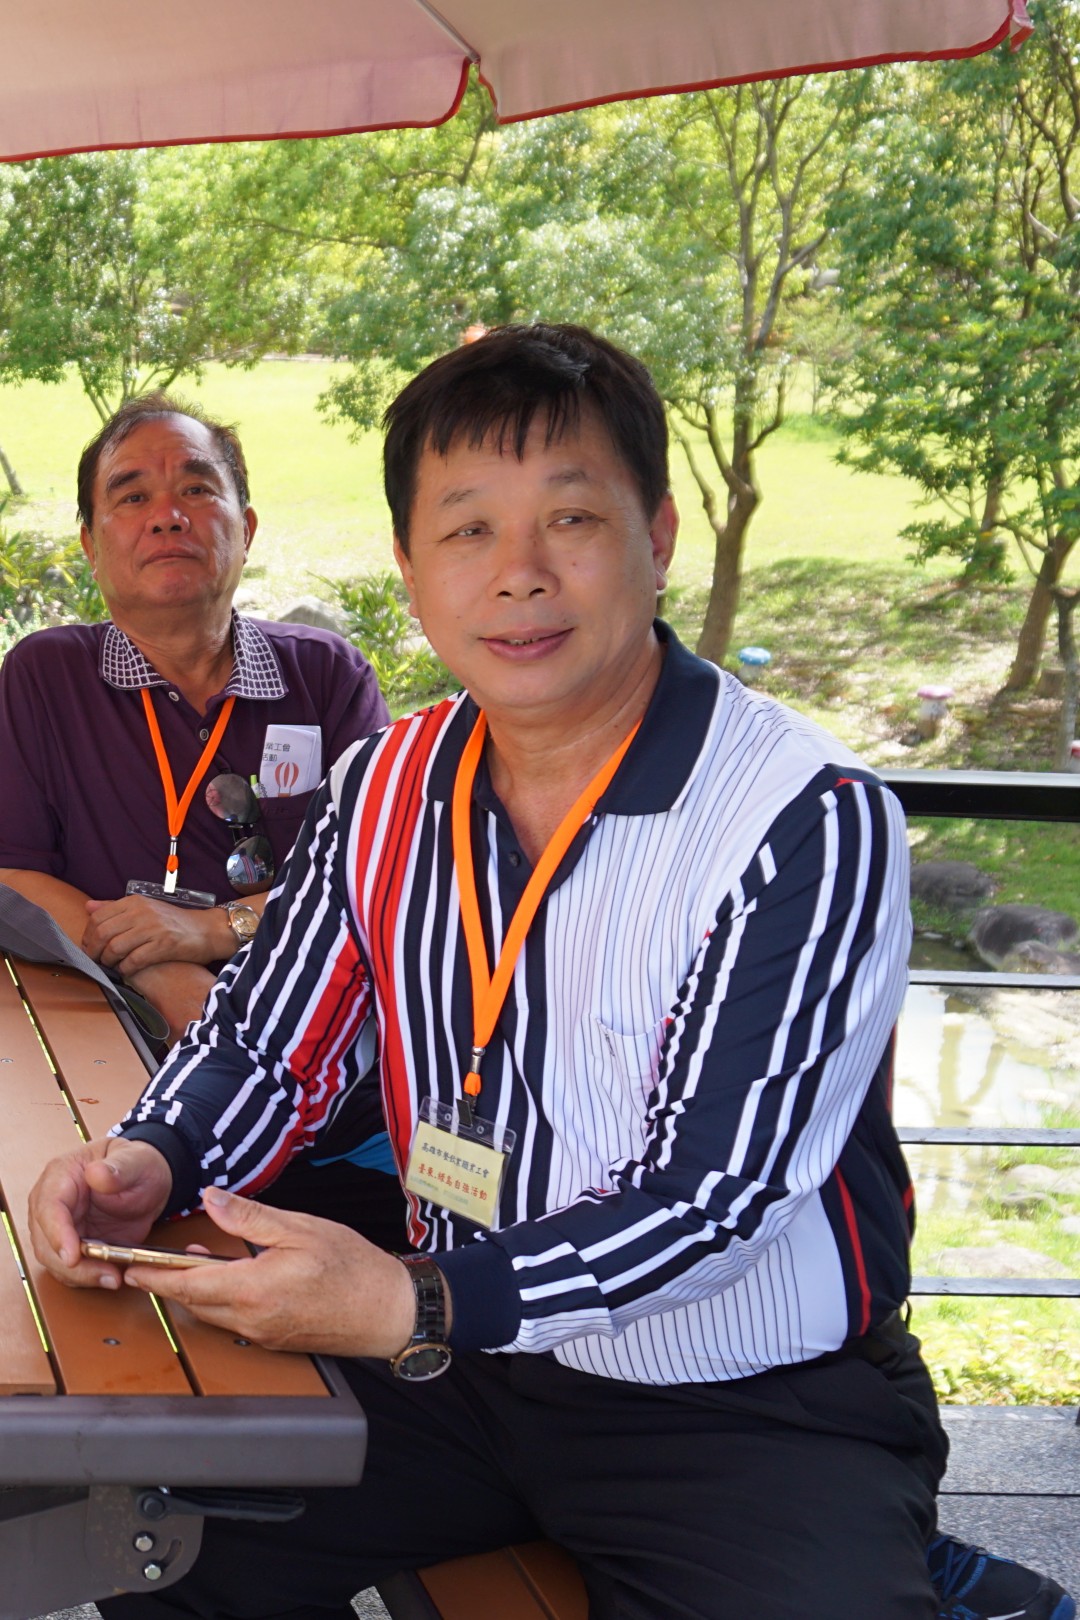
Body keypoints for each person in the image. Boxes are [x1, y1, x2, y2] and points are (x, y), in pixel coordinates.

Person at [28, 327, 1074, 1620]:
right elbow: (266, 1041)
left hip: (741, 1403)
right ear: (410, 568)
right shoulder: (383, 785)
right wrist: (156, 1155)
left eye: (570, 518)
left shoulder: (802, 818)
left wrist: (414, 1298)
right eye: (468, 530)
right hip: (463, 1365)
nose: (519, 574)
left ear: (659, 536)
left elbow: (713, 1198)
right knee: (149, 1538)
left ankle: (937, 1581)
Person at [2, 392, 406, 1245]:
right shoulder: (46, 677)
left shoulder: (325, 676)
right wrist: (152, 969)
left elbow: (378, 878)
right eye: (131, 495)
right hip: (122, 1063)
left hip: (335, 1081)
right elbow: (14, 872)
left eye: (197, 488)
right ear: (91, 543)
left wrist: (211, 932)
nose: (167, 515)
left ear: (245, 528)